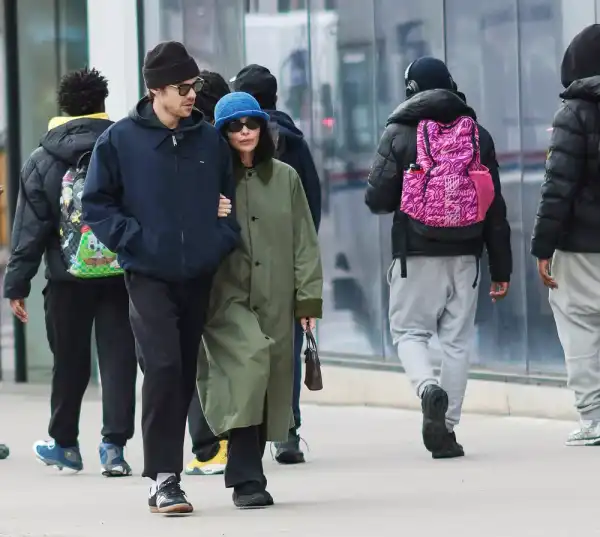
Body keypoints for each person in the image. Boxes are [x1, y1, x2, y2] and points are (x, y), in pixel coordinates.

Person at [81, 41, 240, 515]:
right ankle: (163, 479)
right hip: (148, 272)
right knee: (164, 366)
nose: (192, 94)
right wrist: (135, 240)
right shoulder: (120, 140)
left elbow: (228, 203)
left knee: (184, 370)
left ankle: (170, 475)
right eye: (182, 87)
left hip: (197, 275)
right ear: (156, 90)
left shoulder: (209, 140)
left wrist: (216, 240)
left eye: (194, 85)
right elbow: (97, 204)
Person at [365, 57, 512, 458]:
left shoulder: (399, 132)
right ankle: (446, 431)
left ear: (411, 90)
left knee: (409, 333)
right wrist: (501, 267)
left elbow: (377, 200)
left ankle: (428, 389)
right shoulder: (477, 134)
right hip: (467, 254)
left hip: (415, 253)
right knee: (457, 343)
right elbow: (495, 207)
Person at [3, 67, 137, 476]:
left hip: (65, 277)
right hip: (120, 275)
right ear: (102, 104)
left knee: (69, 361)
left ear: (63, 107)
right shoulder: (125, 148)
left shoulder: (42, 159)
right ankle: (114, 449)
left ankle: (65, 445)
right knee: (118, 360)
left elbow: (30, 230)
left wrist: (16, 284)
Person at [197, 91, 323, 508]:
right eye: (234, 126)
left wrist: (308, 300)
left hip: (276, 296)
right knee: (248, 366)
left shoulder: (286, 177)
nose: (245, 131)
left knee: (266, 380)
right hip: (225, 296)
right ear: (221, 134)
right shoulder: (209, 179)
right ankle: (245, 476)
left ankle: (249, 473)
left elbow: (304, 241)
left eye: (251, 123)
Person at [231, 64, 321, 464]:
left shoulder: (227, 147)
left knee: (246, 353)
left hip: (243, 270)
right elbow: (311, 213)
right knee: (286, 353)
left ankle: (249, 430)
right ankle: (287, 432)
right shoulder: (296, 143)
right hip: (284, 269)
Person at [531, 24, 600, 446]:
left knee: (578, 322)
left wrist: (543, 246)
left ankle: (593, 417)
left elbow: (557, 187)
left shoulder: (573, 114)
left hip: (581, 245)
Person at [185, 70, 232, 477]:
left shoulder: (196, 144)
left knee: (194, 359)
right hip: (237, 266)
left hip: (197, 267)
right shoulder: (242, 143)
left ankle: (210, 446)